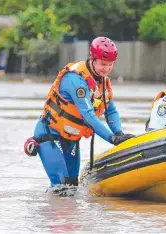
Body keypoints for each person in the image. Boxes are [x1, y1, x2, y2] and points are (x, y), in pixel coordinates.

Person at [24, 37, 135, 192]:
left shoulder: (101, 82)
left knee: (71, 186)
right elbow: (88, 115)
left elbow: (111, 110)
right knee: (61, 187)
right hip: (50, 135)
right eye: (103, 64)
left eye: (110, 64)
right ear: (93, 59)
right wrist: (111, 138)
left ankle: (68, 216)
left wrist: (118, 133)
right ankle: (47, 214)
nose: (107, 69)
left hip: (71, 139)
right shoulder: (75, 80)